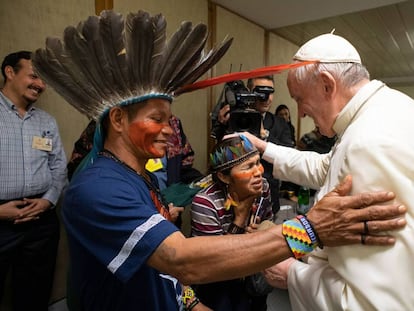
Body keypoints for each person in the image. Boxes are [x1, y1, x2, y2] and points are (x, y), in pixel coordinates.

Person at [32, 11, 407, 311]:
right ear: (117, 120)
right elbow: (179, 259)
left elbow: (160, 269)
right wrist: (308, 229)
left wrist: (191, 302)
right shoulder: (97, 187)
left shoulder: (138, 176)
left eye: (171, 119)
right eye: (158, 119)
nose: (170, 130)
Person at [241, 33, 414, 310]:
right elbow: (327, 166)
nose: (300, 113)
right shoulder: (390, 108)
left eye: (299, 99)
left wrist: (293, 275)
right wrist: (264, 148)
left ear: (326, 85)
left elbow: (372, 303)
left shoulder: (367, 143)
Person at [0, 51, 67, 310]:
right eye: (34, 76)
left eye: (43, 79)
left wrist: (48, 201)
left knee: (34, 294)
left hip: (41, 220)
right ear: (10, 72)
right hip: (1, 219)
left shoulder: (45, 121)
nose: (41, 84)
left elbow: (59, 166)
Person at [191, 135, 274, 311]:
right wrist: (240, 219)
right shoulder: (205, 202)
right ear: (224, 176)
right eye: (248, 167)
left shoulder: (263, 187)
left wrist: (261, 232)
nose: (258, 172)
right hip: (217, 282)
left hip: (252, 270)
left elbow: (268, 220)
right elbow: (214, 261)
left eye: (258, 162)